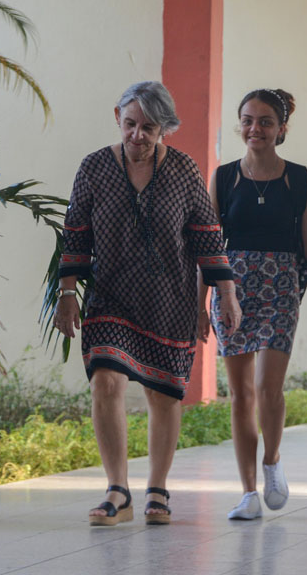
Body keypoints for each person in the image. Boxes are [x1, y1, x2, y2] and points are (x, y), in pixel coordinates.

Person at [55, 81, 241, 526]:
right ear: (117, 116)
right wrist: (66, 292)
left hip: (169, 298)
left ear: (165, 130)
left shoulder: (182, 170)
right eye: (131, 124)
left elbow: (206, 235)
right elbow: (76, 231)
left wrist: (225, 292)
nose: (138, 135)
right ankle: (117, 490)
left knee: (163, 394)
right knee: (106, 381)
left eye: (149, 128)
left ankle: (157, 487)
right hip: (111, 295)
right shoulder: (96, 167)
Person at [205, 88, 307, 520]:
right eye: (247, 120)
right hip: (232, 291)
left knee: (268, 389)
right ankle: (247, 493)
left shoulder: (297, 177)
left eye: (264, 121)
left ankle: (272, 461)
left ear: (281, 129)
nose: (254, 128)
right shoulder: (223, 177)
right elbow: (207, 245)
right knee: (240, 395)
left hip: (281, 287)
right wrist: (197, 302)